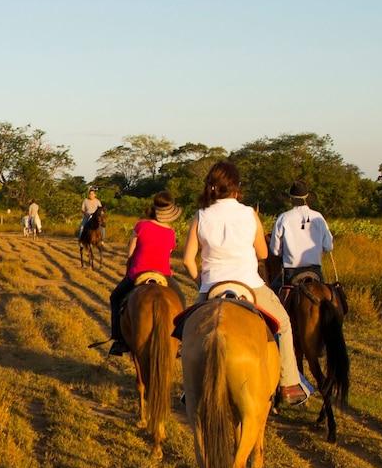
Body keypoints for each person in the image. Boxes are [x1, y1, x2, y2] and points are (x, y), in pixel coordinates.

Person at [181, 160, 309, 406]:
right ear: (236, 187)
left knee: (186, 332)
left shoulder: (200, 216)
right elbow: (262, 254)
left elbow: (188, 260)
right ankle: (288, 383)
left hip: (212, 287)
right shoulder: (249, 213)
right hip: (249, 284)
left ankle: (191, 387)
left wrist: (202, 283)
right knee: (283, 323)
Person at [105, 194, 180, 354]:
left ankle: (118, 340)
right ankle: (179, 339)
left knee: (116, 298)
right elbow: (167, 255)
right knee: (181, 300)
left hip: (139, 272)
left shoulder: (141, 226)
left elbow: (130, 253)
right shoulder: (171, 233)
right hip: (163, 274)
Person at [270, 180, 334, 293]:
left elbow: (275, 251)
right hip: (315, 270)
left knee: (273, 291)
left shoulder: (284, 218)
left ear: (291, 199)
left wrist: (285, 252)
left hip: (291, 272)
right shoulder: (318, 217)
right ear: (307, 198)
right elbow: (328, 246)